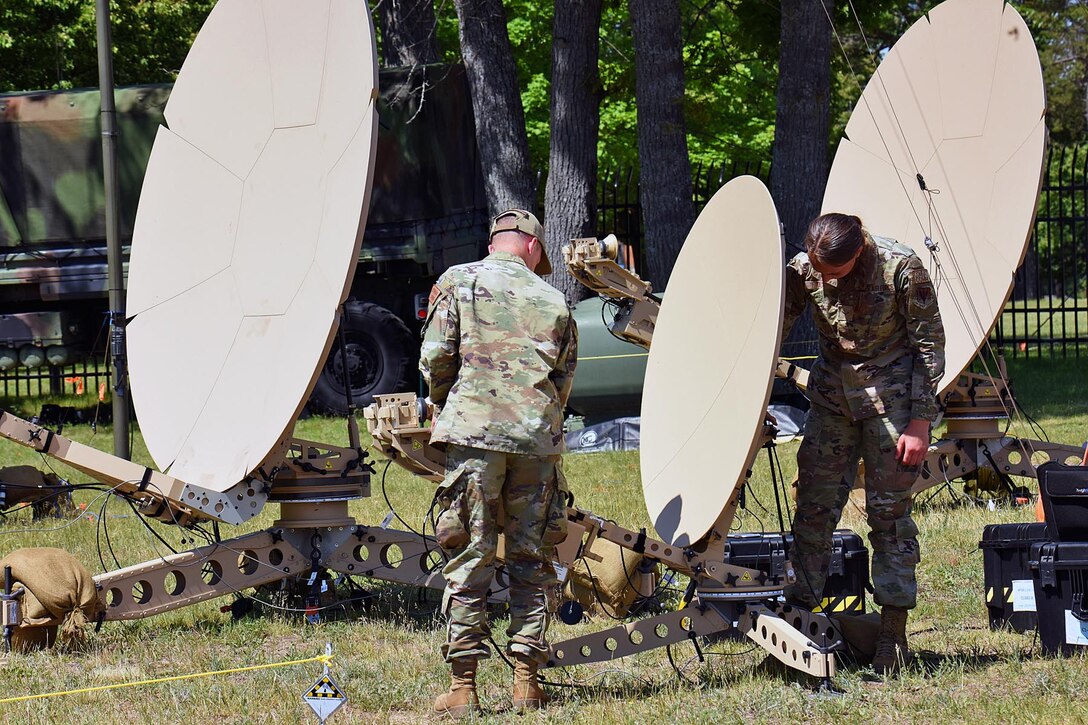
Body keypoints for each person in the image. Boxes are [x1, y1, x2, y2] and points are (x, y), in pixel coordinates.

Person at [420, 208, 578, 716]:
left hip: (475, 434)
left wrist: (450, 403)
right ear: (531, 246)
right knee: (532, 555)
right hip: (534, 440)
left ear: (496, 243)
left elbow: (436, 358)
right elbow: (563, 378)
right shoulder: (554, 299)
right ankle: (527, 681)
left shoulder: (457, 282)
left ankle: (463, 687)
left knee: (470, 552)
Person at [781, 212, 944, 675]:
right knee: (812, 508)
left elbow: (929, 347)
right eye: (819, 270)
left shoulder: (900, 268)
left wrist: (919, 423)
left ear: (858, 252)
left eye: (835, 271)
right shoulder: (806, 267)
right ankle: (802, 624)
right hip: (834, 398)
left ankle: (892, 635)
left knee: (888, 516)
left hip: (892, 400)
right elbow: (775, 322)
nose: (825, 280)